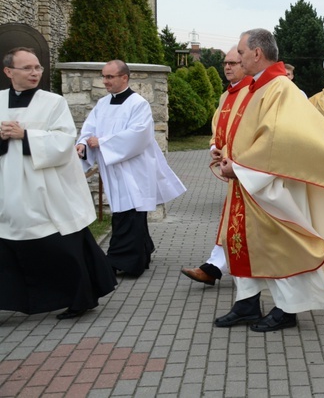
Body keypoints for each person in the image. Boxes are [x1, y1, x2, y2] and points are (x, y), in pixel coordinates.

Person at [213, 28, 324, 331]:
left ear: (257, 54)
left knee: (284, 244)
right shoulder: (255, 87)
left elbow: (279, 137)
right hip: (248, 181)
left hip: (275, 182)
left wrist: (242, 166)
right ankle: (246, 303)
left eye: (242, 53)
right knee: (244, 240)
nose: (239, 59)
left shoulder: (279, 88)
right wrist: (225, 153)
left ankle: (288, 309)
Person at [1, 48, 116, 319]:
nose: (35, 73)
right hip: (8, 186)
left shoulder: (53, 102)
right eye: (27, 68)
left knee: (60, 244)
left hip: (44, 186)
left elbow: (64, 140)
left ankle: (80, 298)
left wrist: (25, 134)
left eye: (38, 67)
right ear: (9, 72)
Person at [77, 60, 186, 277]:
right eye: (104, 76)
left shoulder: (138, 104)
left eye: (110, 77)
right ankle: (142, 251)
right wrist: (82, 142)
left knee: (130, 213)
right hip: (114, 169)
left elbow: (138, 135)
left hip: (134, 169)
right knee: (125, 212)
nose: (105, 81)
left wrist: (104, 142)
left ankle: (124, 262)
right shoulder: (103, 104)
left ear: (124, 78)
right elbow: (89, 129)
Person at [181, 47, 252, 286]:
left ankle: (218, 268)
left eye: (233, 63)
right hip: (233, 169)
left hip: (250, 169)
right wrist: (215, 148)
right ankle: (214, 267)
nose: (228, 67)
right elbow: (217, 127)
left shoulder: (253, 93)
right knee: (234, 220)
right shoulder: (226, 95)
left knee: (242, 222)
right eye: (225, 63)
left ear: (246, 64)